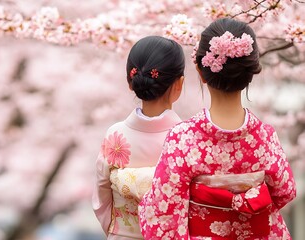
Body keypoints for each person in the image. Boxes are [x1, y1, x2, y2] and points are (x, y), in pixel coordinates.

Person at [138, 18, 297, 239]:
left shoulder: (184, 138)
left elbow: (163, 213)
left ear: (201, 72)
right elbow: (285, 192)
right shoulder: (265, 137)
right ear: (250, 74)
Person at [92, 36, 185, 239]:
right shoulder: (188, 139)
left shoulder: (115, 135)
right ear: (179, 84)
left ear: (130, 82)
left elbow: (101, 200)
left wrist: (120, 231)